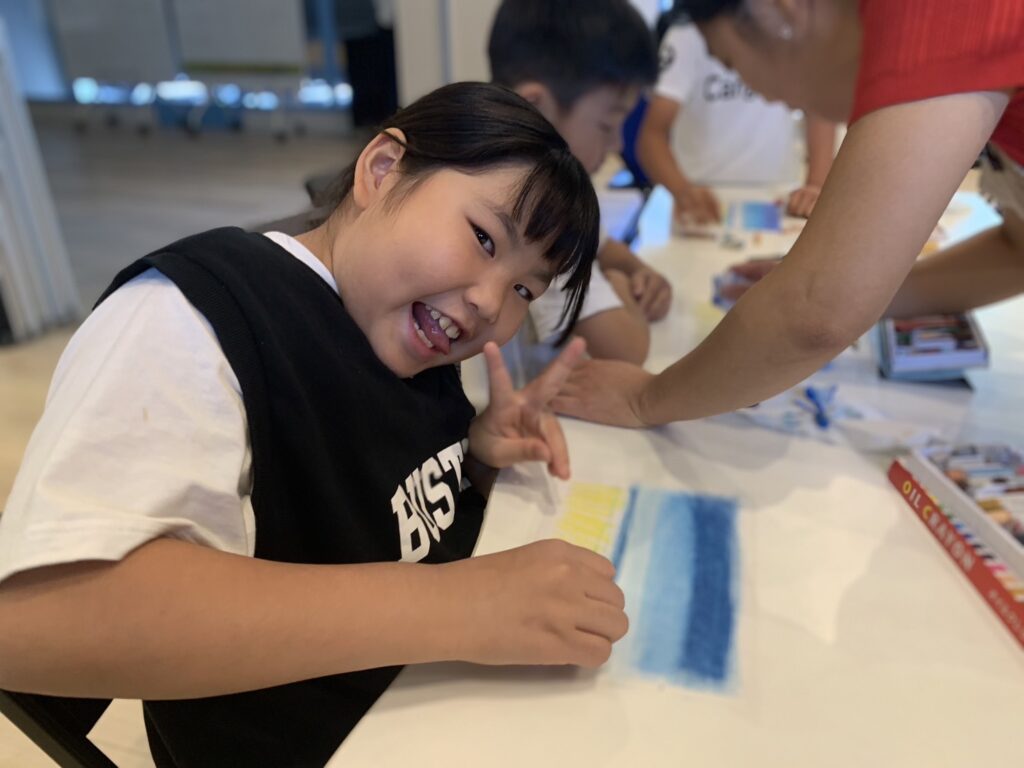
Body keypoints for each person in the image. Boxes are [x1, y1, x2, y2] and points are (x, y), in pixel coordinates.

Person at [0, 83, 628, 767]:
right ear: (381, 170)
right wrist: (459, 605)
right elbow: (31, 622)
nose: (489, 303)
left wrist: (475, 459)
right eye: (483, 239)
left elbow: (384, 513)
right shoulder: (193, 319)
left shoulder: (406, 330)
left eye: (524, 290)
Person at [552, 0, 1024, 428]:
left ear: (779, 12)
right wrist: (865, 284)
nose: (760, 95)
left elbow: (818, 311)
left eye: (731, 61)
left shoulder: (934, 19)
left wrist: (645, 399)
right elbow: (1016, 253)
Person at [489, 0, 673, 364]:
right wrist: (620, 284)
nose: (618, 144)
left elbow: (603, 246)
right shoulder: (538, 213)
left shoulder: (506, 169)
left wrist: (641, 272)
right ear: (537, 107)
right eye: (607, 125)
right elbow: (627, 350)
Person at [637, 18, 837, 225]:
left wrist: (816, 185)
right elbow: (652, 134)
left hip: (777, 194)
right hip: (702, 195)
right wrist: (682, 190)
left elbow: (819, 106)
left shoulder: (789, 25)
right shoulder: (687, 34)